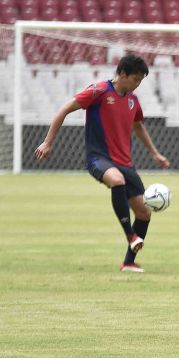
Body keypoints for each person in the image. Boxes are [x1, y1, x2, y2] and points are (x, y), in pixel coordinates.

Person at [34, 54, 169, 273]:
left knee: (144, 213)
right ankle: (130, 235)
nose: (137, 84)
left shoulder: (133, 99)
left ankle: (128, 262)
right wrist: (48, 142)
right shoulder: (98, 91)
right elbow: (64, 109)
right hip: (99, 158)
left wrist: (155, 153)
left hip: (125, 162)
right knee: (116, 180)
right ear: (123, 74)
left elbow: (139, 127)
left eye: (140, 81)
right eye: (135, 79)